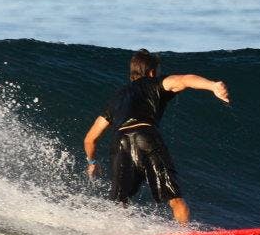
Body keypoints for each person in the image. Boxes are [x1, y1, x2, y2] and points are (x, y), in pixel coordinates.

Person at [83, 48, 230, 223]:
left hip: (120, 141)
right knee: (174, 198)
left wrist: (92, 162)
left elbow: (90, 139)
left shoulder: (116, 98)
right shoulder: (154, 83)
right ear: (152, 72)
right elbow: (184, 80)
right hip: (145, 136)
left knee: (119, 201)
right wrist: (212, 86)